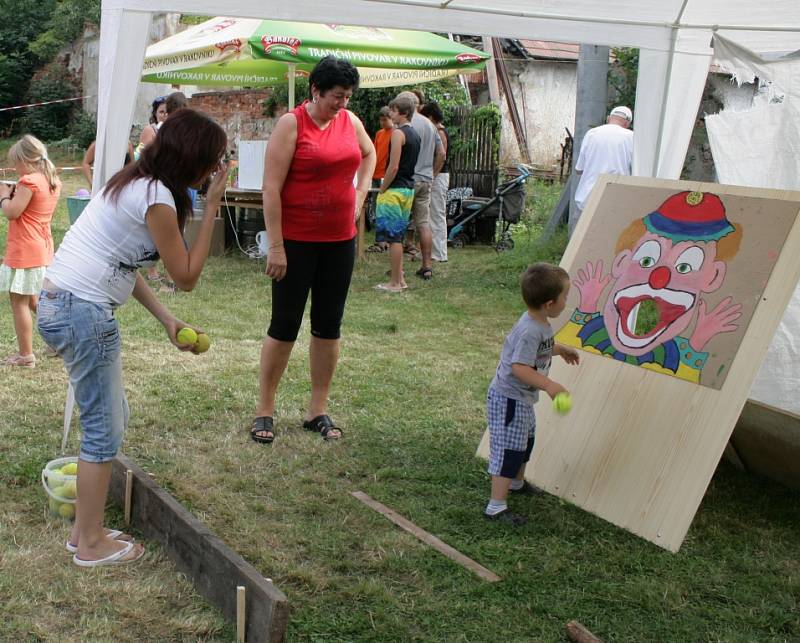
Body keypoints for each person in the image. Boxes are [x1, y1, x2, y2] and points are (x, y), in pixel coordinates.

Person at [37, 109, 228, 566]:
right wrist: (213, 205)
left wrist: (166, 320)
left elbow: (123, 266)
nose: (216, 170)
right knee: (104, 432)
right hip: (81, 311)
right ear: (194, 158)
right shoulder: (157, 196)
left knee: (108, 417)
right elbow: (185, 275)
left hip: (63, 304)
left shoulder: (133, 181)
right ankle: (90, 544)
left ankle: (84, 531)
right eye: (215, 160)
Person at [252, 56, 375, 444]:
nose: (342, 104)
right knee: (285, 325)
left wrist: (360, 194)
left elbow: (369, 155)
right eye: (336, 96)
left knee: (328, 325)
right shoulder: (292, 124)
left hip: (339, 242)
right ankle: (265, 410)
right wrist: (276, 246)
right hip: (296, 243)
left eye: (347, 97)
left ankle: (317, 409)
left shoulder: (350, 122)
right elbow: (270, 188)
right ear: (315, 90)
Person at [484, 263, 580, 525]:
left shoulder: (540, 323)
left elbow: (539, 349)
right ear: (550, 303)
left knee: (525, 443)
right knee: (509, 450)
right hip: (509, 400)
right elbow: (519, 368)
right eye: (565, 297)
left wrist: (559, 350)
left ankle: (516, 484)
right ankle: (496, 506)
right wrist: (549, 386)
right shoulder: (530, 330)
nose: (566, 302)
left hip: (522, 400)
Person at [0, 135, 62, 367]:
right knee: (36, 300)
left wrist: (4, 196)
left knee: (19, 302)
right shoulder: (51, 180)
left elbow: (12, 212)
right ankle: (59, 341)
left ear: (26, 160)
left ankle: (25, 355)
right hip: (42, 246)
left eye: (16, 163)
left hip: (25, 249)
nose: (15, 169)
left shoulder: (29, 182)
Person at [374, 95, 421, 292]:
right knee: (399, 236)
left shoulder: (397, 134)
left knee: (393, 238)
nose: (390, 114)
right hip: (408, 190)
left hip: (394, 190)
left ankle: (394, 283)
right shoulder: (415, 134)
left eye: (393, 111)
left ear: (402, 113)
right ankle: (400, 279)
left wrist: (383, 188)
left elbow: (393, 167)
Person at [395, 90, 443, 280]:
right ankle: (427, 266)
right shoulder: (430, 125)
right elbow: (442, 153)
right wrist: (432, 173)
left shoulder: (404, 125)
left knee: (398, 224)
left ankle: (398, 269)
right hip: (425, 180)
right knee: (423, 224)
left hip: (407, 181)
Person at [572, 105, 633, 231]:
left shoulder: (592, 133)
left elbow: (579, 169)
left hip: (587, 199)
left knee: (579, 244)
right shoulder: (631, 137)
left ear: (608, 118)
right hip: (615, 200)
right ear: (627, 123)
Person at [420, 101, 450, 263]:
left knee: (437, 215)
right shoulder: (436, 130)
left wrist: (432, 175)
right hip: (435, 177)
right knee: (429, 216)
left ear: (431, 117)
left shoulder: (439, 132)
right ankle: (429, 251)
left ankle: (439, 253)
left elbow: (442, 156)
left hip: (439, 178)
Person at [364, 106, 394, 246]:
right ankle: (379, 231)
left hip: (386, 174)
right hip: (376, 173)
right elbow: (374, 152)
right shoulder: (379, 133)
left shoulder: (396, 133)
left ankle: (387, 233)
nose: (382, 123)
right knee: (376, 203)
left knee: (386, 204)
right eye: (381, 120)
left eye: (385, 120)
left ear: (391, 118)